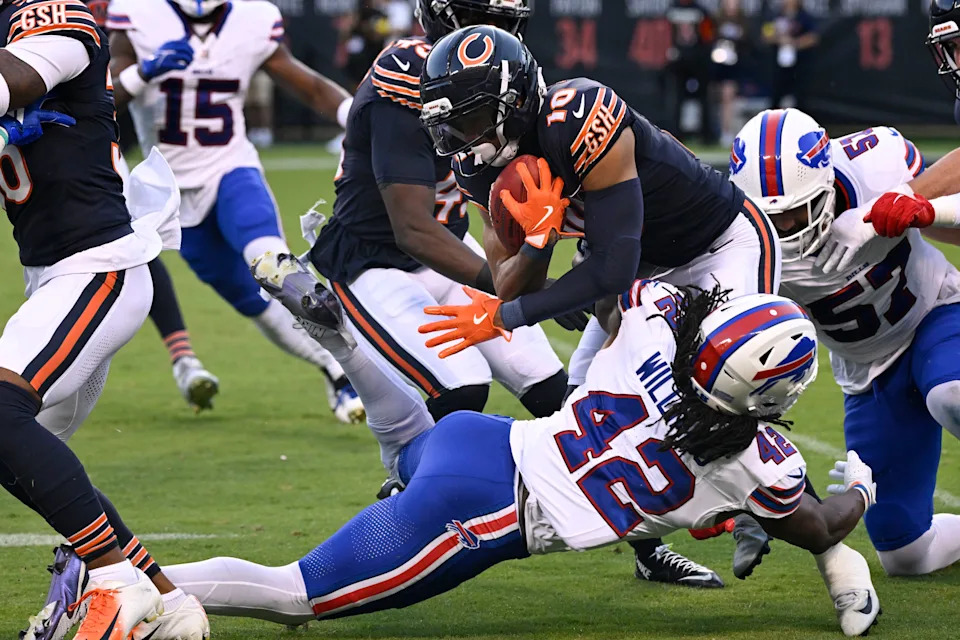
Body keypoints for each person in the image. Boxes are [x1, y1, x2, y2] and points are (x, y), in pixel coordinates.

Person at [142, 252, 879, 638]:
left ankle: (344, 341)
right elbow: (821, 526)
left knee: (406, 450)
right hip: (490, 511)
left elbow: (598, 285)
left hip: (480, 436)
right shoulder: (755, 461)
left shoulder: (657, 320)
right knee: (297, 596)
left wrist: (541, 240)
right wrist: (860, 490)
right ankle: (120, 578)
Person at [419, 24, 781, 586]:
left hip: (716, 244)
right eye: (450, 122)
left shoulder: (580, 112)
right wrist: (540, 241)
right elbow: (506, 279)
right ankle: (651, 549)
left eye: (467, 118)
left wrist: (507, 319)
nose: (460, 137)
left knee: (729, 380)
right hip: (636, 263)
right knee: (593, 403)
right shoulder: (479, 166)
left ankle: (788, 511)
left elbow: (609, 267)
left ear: (510, 102)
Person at [0, 2, 211, 638]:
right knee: (23, 456)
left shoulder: (52, 15)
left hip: (97, 270)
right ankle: (169, 603)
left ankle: (112, 581)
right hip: (59, 280)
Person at [309, 0, 571, 427]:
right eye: (489, 21)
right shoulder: (405, 80)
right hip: (376, 260)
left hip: (451, 243)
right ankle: (412, 484)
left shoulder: (505, 70)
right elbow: (410, 228)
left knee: (549, 388)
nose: (498, 34)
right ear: (447, 17)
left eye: (507, 23)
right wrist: (523, 290)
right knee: (462, 389)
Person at [104, 0, 365, 424]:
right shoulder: (137, 12)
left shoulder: (252, 17)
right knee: (253, 302)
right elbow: (99, 100)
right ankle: (334, 369)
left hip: (230, 167)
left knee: (273, 264)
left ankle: (355, 372)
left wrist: (363, 120)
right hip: (167, 188)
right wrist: (144, 71)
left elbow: (309, 86)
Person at [730, 107, 960, 577]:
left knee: (951, 393)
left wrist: (907, 202)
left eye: (797, 211)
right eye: (773, 218)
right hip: (867, 371)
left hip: (935, 310)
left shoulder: (873, 163)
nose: (787, 229)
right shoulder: (743, 243)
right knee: (905, 556)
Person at [83, 0, 220, 413]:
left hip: (93, 142)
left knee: (135, 245)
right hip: (50, 143)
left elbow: (106, 94)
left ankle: (183, 358)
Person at [761, 0, 818, 110]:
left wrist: (795, 43)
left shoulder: (804, 17)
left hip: (799, 64)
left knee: (800, 97)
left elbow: (813, 37)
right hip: (778, 65)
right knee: (776, 96)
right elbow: (765, 35)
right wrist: (779, 39)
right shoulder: (775, 16)